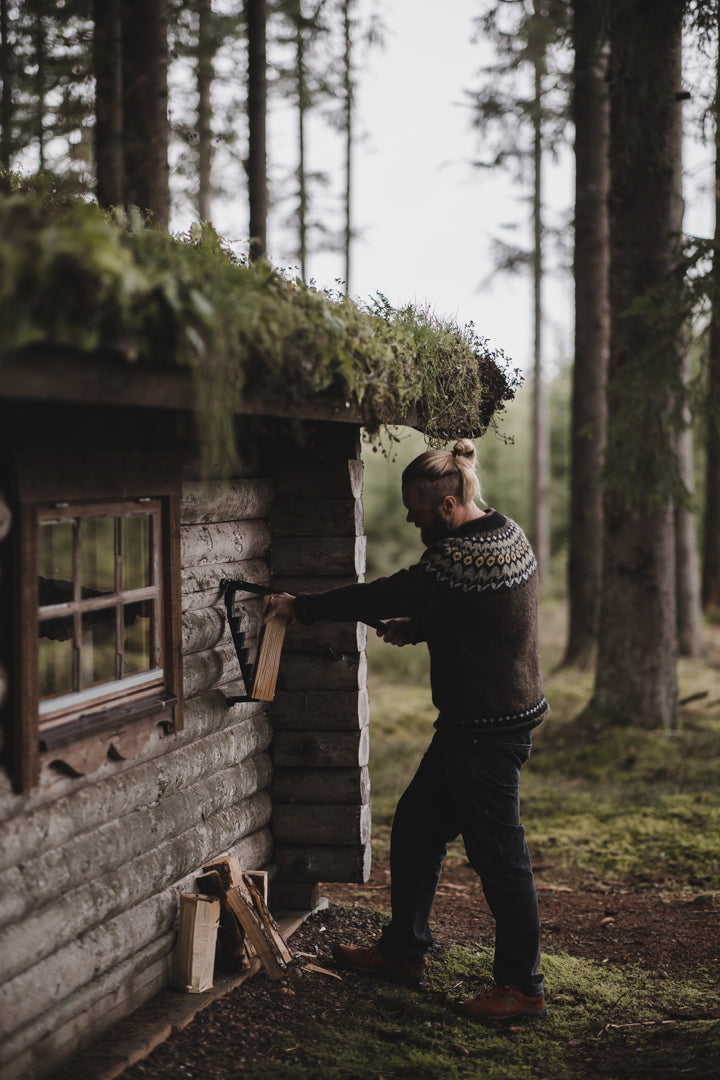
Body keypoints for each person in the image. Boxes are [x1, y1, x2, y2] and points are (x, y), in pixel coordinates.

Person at [264, 438, 548, 1023]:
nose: (411, 518)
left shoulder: (457, 558)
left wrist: (305, 607)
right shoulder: (504, 533)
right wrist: (419, 627)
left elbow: (391, 589)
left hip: (485, 731)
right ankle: (403, 953)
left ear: (446, 505)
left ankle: (522, 989)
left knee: (501, 859)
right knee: (418, 830)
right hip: (487, 720)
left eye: (417, 509)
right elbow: (479, 615)